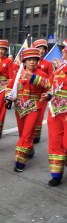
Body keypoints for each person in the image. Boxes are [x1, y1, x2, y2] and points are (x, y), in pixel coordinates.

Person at [5, 48, 51, 172]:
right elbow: (10, 87)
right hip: (19, 107)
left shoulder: (42, 74)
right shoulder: (18, 73)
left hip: (34, 107)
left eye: (35, 60)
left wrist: (34, 78)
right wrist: (8, 97)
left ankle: (20, 161)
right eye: (29, 60)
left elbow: (48, 87)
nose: (32, 62)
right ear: (24, 61)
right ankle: (29, 149)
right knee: (22, 133)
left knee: (26, 134)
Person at [46, 46, 67, 186]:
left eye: (65, 50)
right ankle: (56, 174)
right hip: (55, 109)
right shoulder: (60, 67)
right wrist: (33, 78)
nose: (63, 51)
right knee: (55, 142)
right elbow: (50, 84)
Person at [32, 39, 54, 144]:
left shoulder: (48, 64)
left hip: (42, 92)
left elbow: (51, 78)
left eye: (42, 49)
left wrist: (47, 89)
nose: (40, 51)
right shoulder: (29, 61)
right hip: (30, 91)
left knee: (39, 114)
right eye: (38, 48)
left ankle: (36, 135)